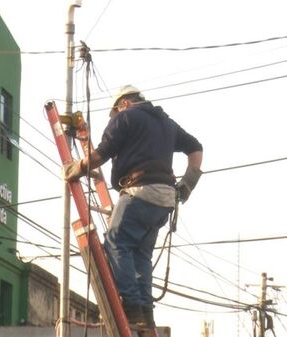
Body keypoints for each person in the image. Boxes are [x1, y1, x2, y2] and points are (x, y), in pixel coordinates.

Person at [64, 85, 203, 332]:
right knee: (141, 254)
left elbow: (102, 154)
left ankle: (132, 308)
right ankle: (146, 315)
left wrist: (80, 166)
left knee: (116, 242)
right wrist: (188, 184)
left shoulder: (125, 117)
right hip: (165, 199)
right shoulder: (166, 123)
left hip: (139, 191)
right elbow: (196, 147)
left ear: (123, 103)